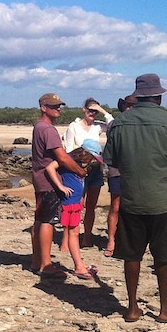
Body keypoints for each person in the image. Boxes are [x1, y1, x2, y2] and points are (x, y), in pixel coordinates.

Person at [103, 74, 167, 323]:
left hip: (132, 199)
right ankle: (164, 308)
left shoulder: (119, 123)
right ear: (158, 96)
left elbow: (111, 160)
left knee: (131, 254)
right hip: (163, 200)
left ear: (137, 96)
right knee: (163, 254)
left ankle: (132, 307)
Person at [31, 93, 87, 278]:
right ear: (43, 107)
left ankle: (37, 260)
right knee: (48, 221)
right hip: (48, 182)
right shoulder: (48, 129)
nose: (58, 109)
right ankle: (46, 264)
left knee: (40, 219)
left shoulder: (39, 126)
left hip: (40, 179)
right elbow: (62, 157)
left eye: (59, 106)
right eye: (54, 106)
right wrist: (79, 171)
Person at [45, 138, 104, 279]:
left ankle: (79, 264)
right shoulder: (68, 159)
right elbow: (50, 168)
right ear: (86, 153)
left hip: (76, 201)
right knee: (73, 232)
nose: (92, 161)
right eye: (93, 158)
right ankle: (79, 266)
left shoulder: (79, 162)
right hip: (69, 202)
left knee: (75, 232)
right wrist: (60, 187)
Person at [63, 98, 114, 249]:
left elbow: (114, 125)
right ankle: (67, 239)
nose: (92, 113)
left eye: (95, 111)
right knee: (75, 205)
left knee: (91, 206)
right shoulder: (74, 126)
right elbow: (68, 149)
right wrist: (74, 169)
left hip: (95, 169)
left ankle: (86, 238)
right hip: (78, 170)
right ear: (84, 109)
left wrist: (103, 111)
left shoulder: (98, 126)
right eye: (90, 110)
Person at [103, 94, 137, 258]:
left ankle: (133, 240)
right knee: (115, 206)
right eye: (127, 105)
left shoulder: (139, 125)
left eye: (133, 105)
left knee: (134, 207)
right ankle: (111, 240)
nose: (129, 108)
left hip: (135, 171)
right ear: (123, 106)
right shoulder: (115, 125)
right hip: (117, 170)